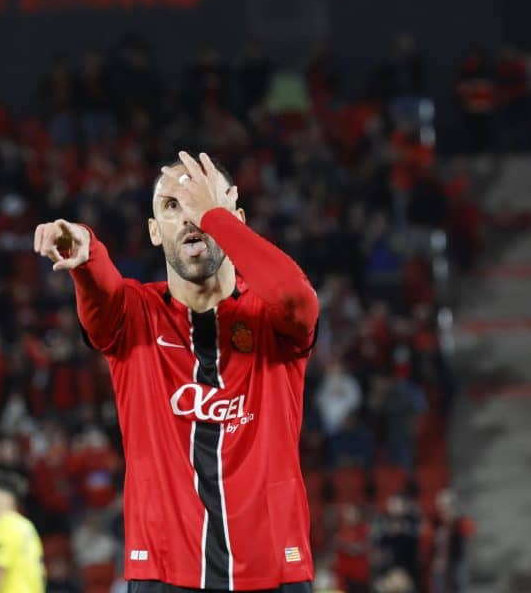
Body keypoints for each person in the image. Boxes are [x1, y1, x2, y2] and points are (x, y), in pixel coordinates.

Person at [33, 151, 319, 591]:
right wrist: (87, 250)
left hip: (273, 572)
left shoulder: (270, 319)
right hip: (164, 573)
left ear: (235, 218)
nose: (191, 217)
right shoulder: (135, 317)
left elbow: (298, 299)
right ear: (153, 231)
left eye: (201, 201)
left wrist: (217, 219)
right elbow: (102, 293)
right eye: (172, 206)